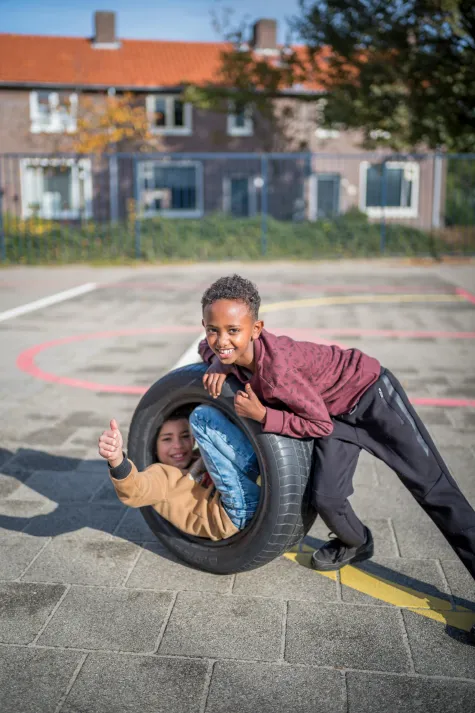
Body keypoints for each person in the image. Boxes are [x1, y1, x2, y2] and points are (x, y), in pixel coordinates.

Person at [199, 273, 475, 578]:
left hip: (372, 398)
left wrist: (263, 415)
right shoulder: (224, 349)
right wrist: (218, 363)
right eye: (214, 330)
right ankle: (357, 542)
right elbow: (208, 347)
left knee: (433, 490)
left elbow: (316, 425)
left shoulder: (279, 373)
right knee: (327, 498)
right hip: (333, 415)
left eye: (233, 330)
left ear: (257, 329)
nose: (222, 340)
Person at [98, 407, 260, 541]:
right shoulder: (161, 476)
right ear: (154, 446)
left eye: (184, 436)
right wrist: (117, 459)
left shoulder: (199, 456)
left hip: (243, 493)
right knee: (202, 418)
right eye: (167, 439)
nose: (178, 445)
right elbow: (135, 489)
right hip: (230, 513)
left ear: (193, 440)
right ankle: (261, 466)